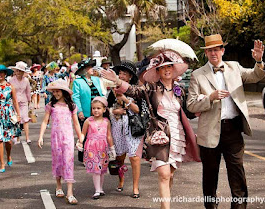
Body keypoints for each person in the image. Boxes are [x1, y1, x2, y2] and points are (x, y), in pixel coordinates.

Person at [102, 50, 200, 209]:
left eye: (169, 66)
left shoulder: (179, 90)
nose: (167, 70)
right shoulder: (152, 88)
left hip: (177, 135)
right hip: (159, 135)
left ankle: (164, 205)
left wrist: (202, 106)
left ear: (173, 69)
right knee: (164, 174)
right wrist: (118, 82)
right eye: (163, 67)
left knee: (170, 174)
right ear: (158, 71)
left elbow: (188, 110)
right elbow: (134, 91)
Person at [186, 34, 265, 209]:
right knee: (210, 177)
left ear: (222, 51)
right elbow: (191, 105)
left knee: (237, 175)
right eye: (210, 50)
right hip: (209, 133)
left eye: (216, 49)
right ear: (206, 53)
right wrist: (210, 97)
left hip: (233, 130)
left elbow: (255, 75)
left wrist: (259, 61)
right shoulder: (197, 75)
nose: (213, 53)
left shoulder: (235, 67)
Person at [38, 79, 82, 205]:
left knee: (68, 162)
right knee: (57, 162)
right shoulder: (50, 106)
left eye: (58, 91)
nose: (56, 94)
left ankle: (70, 193)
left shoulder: (71, 106)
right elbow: (44, 121)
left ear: (63, 91)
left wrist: (80, 138)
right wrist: (41, 136)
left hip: (68, 138)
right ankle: (58, 186)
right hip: (55, 139)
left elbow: (76, 123)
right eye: (54, 92)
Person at [107, 61, 142, 198]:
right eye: (120, 73)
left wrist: (125, 100)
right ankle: (121, 181)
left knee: (134, 158)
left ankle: (135, 188)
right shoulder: (112, 90)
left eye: (124, 74)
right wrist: (114, 111)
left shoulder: (136, 90)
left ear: (130, 77)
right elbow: (107, 108)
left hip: (133, 126)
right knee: (120, 157)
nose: (121, 76)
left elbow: (138, 109)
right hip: (117, 126)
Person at [76, 96, 116, 199]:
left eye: (98, 108)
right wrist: (80, 142)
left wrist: (112, 148)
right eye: (94, 108)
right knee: (96, 169)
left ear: (104, 109)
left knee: (102, 169)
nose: (96, 110)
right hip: (91, 148)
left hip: (103, 148)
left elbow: (109, 136)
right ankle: (97, 190)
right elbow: (83, 134)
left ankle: (100, 188)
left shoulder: (106, 121)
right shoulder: (88, 121)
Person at [72, 58, 103, 125]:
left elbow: (101, 94)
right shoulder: (77, 82)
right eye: (90, 67)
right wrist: (79, 111)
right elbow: (76, 98)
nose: (92, 69)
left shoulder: (96, 79)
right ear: (84, 70)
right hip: (85, 113)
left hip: (98, 111)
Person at [10, 61, 32, 144]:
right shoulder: (11, 80)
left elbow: (28, 91)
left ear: (23, 72)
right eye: (17, 71)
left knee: (25, 119)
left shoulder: (26, 80)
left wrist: (29, 101)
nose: (18, 73)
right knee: (16, 119)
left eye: (20, 71)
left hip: (24, 101)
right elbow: (10, 91)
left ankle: (27, 138)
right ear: (15, 71)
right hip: (14, 102)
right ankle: (17, 137)